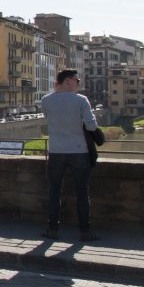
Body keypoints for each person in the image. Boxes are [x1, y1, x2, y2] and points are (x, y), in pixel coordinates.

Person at [40, 69, 99, 242]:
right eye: (76, 80)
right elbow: (91, 127)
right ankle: (85, 232)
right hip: (79, 151)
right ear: (67, 81)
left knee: (54, 192)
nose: (78, 83)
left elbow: (47, 118)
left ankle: (52, 229)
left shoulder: (46, 100)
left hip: (56, 151)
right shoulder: (81, 100)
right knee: (82, 193)